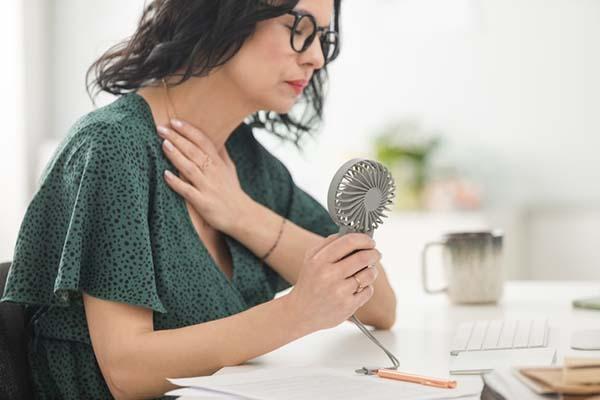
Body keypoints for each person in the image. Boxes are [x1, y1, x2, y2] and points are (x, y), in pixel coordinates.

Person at [1, 0, 397, 398]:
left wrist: (242, 214)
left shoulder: (245, 164)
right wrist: (296, 313)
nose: (314, 57)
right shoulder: (111, 148)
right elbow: (126, 371)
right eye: (298, 27)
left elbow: (379, 305)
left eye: (322, 38)